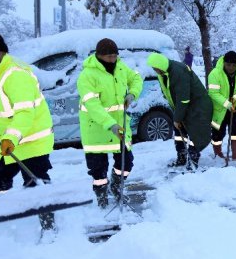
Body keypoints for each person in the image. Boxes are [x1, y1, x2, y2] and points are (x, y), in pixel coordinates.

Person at [0, 29, 56, 231]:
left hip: (31, 139)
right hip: (6, 141)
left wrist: (12, 137)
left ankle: (48, 225)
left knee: (35, 182)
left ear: (3, 51)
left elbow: (24, 113)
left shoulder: (16, 74)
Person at [77, 38, 142, 208]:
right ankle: (101, 196)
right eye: (109, 56)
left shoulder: (121, 67)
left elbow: (136, 78)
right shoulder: (87, 75)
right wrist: (110, 124)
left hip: (119, 126)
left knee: (126, 163)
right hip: (96, 129)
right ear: (99, 56)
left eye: (115, 56)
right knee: (98, 171)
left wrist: (132, 94)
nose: (113, 59)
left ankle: (116, 184)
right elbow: (93, 106)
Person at [147, 52, 212, 168]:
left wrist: (177, 118)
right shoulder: (163, 73)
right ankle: (181, 158)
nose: (154, 71)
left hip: (196, 106)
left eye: (155, 68)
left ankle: (193, 161)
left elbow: (183, 99)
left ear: (161, 66)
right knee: (178, 133)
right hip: (182, 106)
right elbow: (168, 90)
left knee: (194, 133)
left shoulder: (178, 72)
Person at [207, 51, 236, 161]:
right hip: (219, 109)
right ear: (224, 63)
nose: (231, 68)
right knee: (218, 133)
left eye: (234, 65)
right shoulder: (215, 74)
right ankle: (218, 154)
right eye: (228, 65)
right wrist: (227, 104)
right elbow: (213, 93)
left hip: (235, 108)